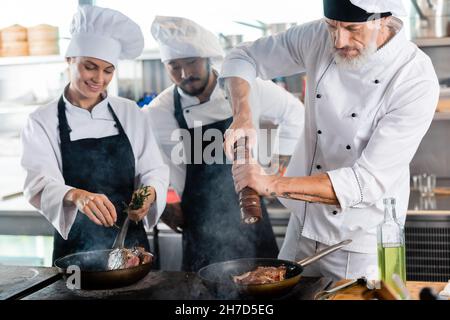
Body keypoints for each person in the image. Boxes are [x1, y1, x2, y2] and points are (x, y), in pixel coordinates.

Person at [221, 0, 440, 281]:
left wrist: (272, 184)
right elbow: (243, 57)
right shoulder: (317, 37)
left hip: (358, 242)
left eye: (351, 28)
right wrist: (243, 114)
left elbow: (366, 181)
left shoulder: (414, 77)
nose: (338, 40)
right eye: (332, 27)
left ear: (384, 19)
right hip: (302, 226)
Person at [145, 16, 305, 271]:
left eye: (191, 63)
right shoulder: (158, 112)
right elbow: (148, 163)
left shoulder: (247, 89)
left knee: (264, 286)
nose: (185, 74)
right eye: (174, 66)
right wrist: (161, 204)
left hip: (251, 214)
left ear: (207, 57)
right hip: (199, 222)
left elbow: (295, 113)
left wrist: (279, 167)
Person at [21, 5, 169, 262]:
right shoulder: (41, 121)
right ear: (69, 59)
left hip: (131, 244)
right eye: (90, 67)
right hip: (76, 248)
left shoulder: (130, 112)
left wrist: (150, 192)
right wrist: (77, 196)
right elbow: (39, 183)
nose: (99, 78)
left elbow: (154, 169)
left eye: (108, 70)